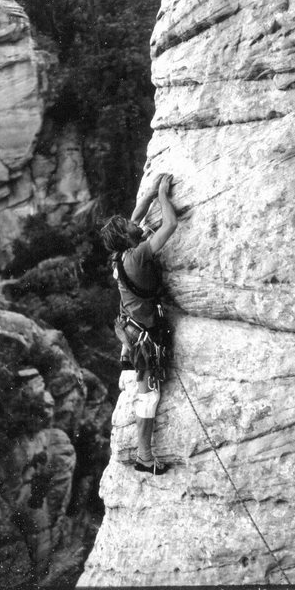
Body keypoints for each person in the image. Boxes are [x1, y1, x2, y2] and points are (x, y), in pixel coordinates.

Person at [100, 173, 177, 475]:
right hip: (145, 334)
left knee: (146, 391)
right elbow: (170, 225)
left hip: (132, 328)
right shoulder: (139, 255)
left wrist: (145, 198)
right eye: (130, 226)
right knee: (149, 395)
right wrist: (162, 196)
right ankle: (144, 456)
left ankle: (144, 451)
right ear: (127, 236)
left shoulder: (122, 256)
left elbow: (134, 220)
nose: (136, 222)